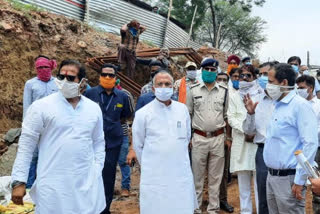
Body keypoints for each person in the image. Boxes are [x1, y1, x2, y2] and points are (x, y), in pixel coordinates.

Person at [11, 59, 106, 213]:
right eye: (61, 77)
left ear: (82, 82)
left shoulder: (93, 109)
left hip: (86, 182)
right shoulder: (41, 107)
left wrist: (97, 169)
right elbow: (26, 146)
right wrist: (19, 180)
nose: (64, 81)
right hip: (52, 184)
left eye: (70, 78)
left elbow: (99, 142)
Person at [133, 71, 197, 214]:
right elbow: (138, 145)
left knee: (181, 207)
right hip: (155, 175)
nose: (163, 87)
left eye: (167, 84)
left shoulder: (182, 110)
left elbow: (186, 138)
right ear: (153, 89)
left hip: (180, 172)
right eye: (159, 84)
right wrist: (151, 165)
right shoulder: (143, 113)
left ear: (173, 88)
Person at [261, 63, 318, 213]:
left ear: (284, 83)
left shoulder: (300, 106)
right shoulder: (277, 105)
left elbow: (310, 144)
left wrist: (299, 180)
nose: (268, 85)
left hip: (290, 179)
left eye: (271, 81)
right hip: (272, 176)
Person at [85, 64, 133, 214]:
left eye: (110, 75)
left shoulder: (122, 96)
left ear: (115, 78)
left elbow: (126, 115)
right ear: (99, 76)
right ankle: (88, 207)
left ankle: (105, 209)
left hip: (112, 142)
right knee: (89, 174)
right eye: (104, 74)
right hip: (90, 142)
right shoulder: (90, 94)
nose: (107, 78)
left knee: (108, 175)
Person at [186, 58, 232, 214]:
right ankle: (196, 208)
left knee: (215, 178)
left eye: (213, 70)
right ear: (202, 70)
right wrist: (189, 138)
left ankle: (213, 209)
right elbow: (188, 115)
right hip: (198, 138)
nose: (210, 72)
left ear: (216, 71)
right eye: (207, 70)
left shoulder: (225, 92)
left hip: (218, 138)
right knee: (197, 177)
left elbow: (227, 116)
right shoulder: (193, 90)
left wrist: (228, 138)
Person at [242, 62, 276, 214]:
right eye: (260, 74)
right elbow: (249, 131)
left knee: (284, 197)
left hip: (284, 151)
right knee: (263, 197)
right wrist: (250, 114)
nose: (263, 78)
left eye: (266, 74)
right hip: (262, 152)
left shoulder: (286, 101)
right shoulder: (255, 99)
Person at [228, 65, 260, 214]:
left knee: (258, 184)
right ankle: (245, 211)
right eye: (242, 76)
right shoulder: (234, 96)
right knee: (243, 183)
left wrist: (252, 132)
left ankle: (261, 210)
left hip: (256, 141)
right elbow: (231, 117)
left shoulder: (260, 95)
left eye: (248, 76)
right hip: (241, 141)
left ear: (254, 77)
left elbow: (263, 117)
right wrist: (245, 130)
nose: (245, 79)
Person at [23, 55, 58, 189]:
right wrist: (27, 126)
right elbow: (27, 106)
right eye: (40, 67)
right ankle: (30, 185)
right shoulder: (30, 84)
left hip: (54, 125)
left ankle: (48, 185)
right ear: (36, 69)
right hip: (37, 125)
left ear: (51, 67)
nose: (43, 69)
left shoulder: (57, 83)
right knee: (34, 156)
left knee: (51, 155)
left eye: (45, 67)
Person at [296, 75, 320, 214]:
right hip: (300, 151)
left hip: (316, 150)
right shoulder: (297, 105)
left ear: (310, 88)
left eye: (302, 88)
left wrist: (308, 135)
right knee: (302, 181)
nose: (299, 91)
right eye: (297, 88)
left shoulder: (319, 106)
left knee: (316, 184)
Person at [216, 72, 234, 213]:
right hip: (203, 138)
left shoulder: (230, 95)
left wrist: (228, 137)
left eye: (224, 80)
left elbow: (228, 118)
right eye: (219, 79)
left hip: (222, 137)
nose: (222, 82)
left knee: (222, 171)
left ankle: (222, 199)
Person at [115, 80, 135, 197]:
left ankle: (125, 187)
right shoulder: (99, 93)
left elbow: (131, 112)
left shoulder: (125, 94)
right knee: (108, 163)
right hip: (106, 134)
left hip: (122, 133)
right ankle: (108, 186)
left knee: (123, 161)